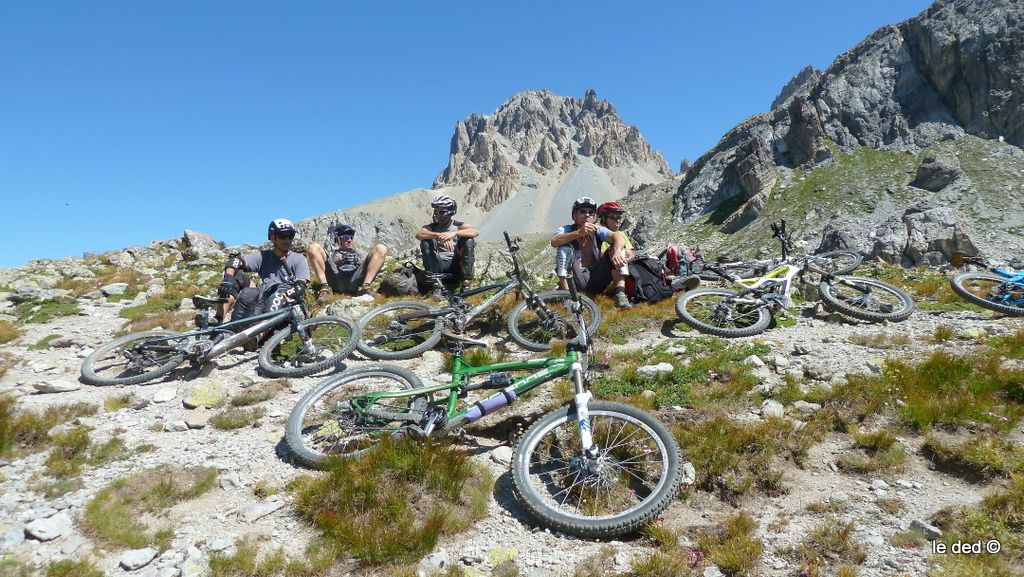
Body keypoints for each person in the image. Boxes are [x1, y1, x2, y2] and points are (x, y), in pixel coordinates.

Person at [215, 218, 311, 326]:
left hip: (287, 299)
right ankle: (217, 320)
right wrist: (227, 279)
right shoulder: (263, 256)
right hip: (265, 293)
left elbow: (301, 286)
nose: (287, 240)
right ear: (272, 238)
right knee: (236, 276)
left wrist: (285, 294)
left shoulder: (299, 259)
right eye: (282, 236)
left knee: (277, 296)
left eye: (291, 236)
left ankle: (255, 338)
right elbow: (235, 262)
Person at [551, 196, 632, 308]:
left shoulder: (597, 229)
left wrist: (617, 250)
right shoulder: (566, 230)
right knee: (563, 249)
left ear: (594, 217)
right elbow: (554, 241)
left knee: (617, 247)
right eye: (582, 211)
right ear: (574, 216)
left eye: (591, 212)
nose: (587, 215)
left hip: (595, 277)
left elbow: (618, 237)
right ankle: (568, 297)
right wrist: (579, 233)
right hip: (574, 279)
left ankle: (620, 294)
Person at [307, 224, 388, 301]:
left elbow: (365, 264)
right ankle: (325, 288)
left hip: (355, 279)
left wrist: (359, 262)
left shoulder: (358, 253)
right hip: (336, 278)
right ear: (338, 239)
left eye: (351, 237)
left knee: (381, 248)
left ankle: (365, 287)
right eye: (345, 237)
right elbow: (329, 265)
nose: (349, 240)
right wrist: (336, 263)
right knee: (313, 247)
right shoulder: (334, 253)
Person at [416, 194, 478, 290]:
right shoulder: (432, 227)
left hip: (457, 266)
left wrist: (453, 234)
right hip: (439, 267)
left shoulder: (458, 225)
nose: (438, 214)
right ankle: (435, 284)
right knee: (426, 242)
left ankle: (466, 283)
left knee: (468, 240)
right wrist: (438, 236)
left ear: (450, 212)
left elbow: (474, 232)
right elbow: (419, 234)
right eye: (436, 211)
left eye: (442, 212)